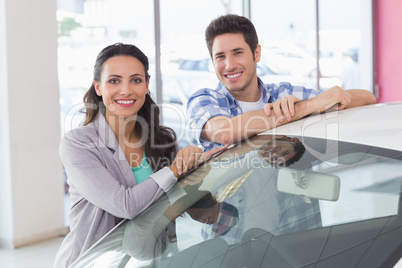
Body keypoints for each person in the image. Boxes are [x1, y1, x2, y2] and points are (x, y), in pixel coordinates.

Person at [54, 43, 223, 268]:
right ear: (98, 87)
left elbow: (191, 210)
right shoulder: (79, 143)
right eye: (114, 80)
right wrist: (175, 170)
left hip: (155, 259)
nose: (126, 90)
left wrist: (197, 169)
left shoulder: (162, 140)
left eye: (135, 80)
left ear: (146, 85)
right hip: (96, 262)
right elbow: (125, 205)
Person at [187, 14, 377, 151]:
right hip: (231, 207)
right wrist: (302, 109)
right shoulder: (204, 99)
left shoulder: (282, 93)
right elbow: (225, 133)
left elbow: (367, 97)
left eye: (238, 53)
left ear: (256, 53)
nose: (229, 65)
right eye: (220, 56)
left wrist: (331, 96)